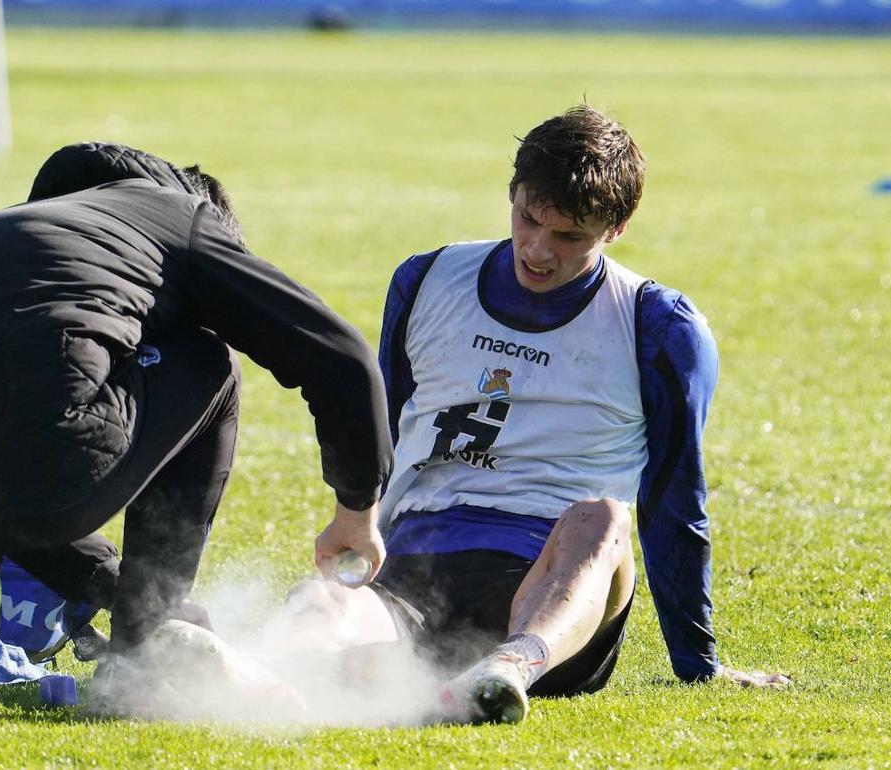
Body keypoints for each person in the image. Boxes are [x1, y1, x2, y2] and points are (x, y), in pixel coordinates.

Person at [268, 104, 788, 725]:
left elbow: (675, 497)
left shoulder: (659, 326)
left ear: (615, 228)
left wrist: (699, 663)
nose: (538, 250)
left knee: (602, 517)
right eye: (527, 219)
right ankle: (227, 675)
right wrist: (356, 520)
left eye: (569, 236)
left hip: (555, 590)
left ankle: (504, 671)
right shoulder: (426, 279)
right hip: (413, 573)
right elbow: (383, 433)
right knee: (319, 606)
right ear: (511, 194)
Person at [0, 142, 392, 724]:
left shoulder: (13, 228)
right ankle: (142, 650)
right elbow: (341, 358)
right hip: (41, 452)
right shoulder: (179, 215)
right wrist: (358, 508)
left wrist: (108, 580)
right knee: (211, 364)